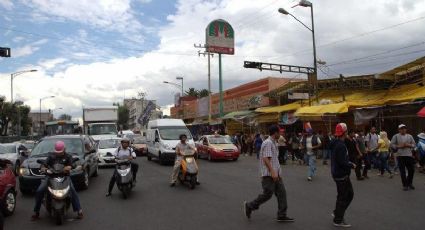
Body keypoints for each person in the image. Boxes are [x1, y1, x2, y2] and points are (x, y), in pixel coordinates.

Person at [244, 125, 294, 223]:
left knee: (282, 193)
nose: (280, 134)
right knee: (268, 194)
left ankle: (282, 215)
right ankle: (250, 206)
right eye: (279, 132)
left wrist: (278, 172)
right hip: (269, 174)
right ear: (275, 133)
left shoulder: (274, 142)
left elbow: (274, 160)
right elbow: (266, 159)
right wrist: (273, 172)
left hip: (276, 174)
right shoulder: (268, 143)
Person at [32, 141, 83, 220]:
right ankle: (36, 212)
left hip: (65, 176)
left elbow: (73, 163)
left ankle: (79, 211)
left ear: (64, 149)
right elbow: (44, 164)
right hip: (50, 177)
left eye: (60, 152)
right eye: (57, 152)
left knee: (72, 190)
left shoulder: (68, 156)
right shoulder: (51, 156)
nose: (59, 153)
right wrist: (44, 168)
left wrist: (70, 166)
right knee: (40, 190)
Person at [331, 123, 355, 228]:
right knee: (344, 197)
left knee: (347, 195)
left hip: (338, 173)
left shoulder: (336, 143)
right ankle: (338, 219)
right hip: (341, 174)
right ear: (344, 132)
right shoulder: (340, 145)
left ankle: (337, 212)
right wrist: (351, 164)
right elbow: (342, 161)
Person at [391, 124, 416, 191]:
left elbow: (414, 144)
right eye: (401, 129)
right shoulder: (396, 136)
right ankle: (405, 185)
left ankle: (409, 183)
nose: (403, 130)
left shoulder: (410, 136)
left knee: (412, 170)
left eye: (404, 128)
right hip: (400, 155)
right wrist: (399, 146)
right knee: (402, 171)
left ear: (406, 129)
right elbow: (392, 144)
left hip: (409, 155)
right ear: (399, 130)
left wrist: (408, 145)